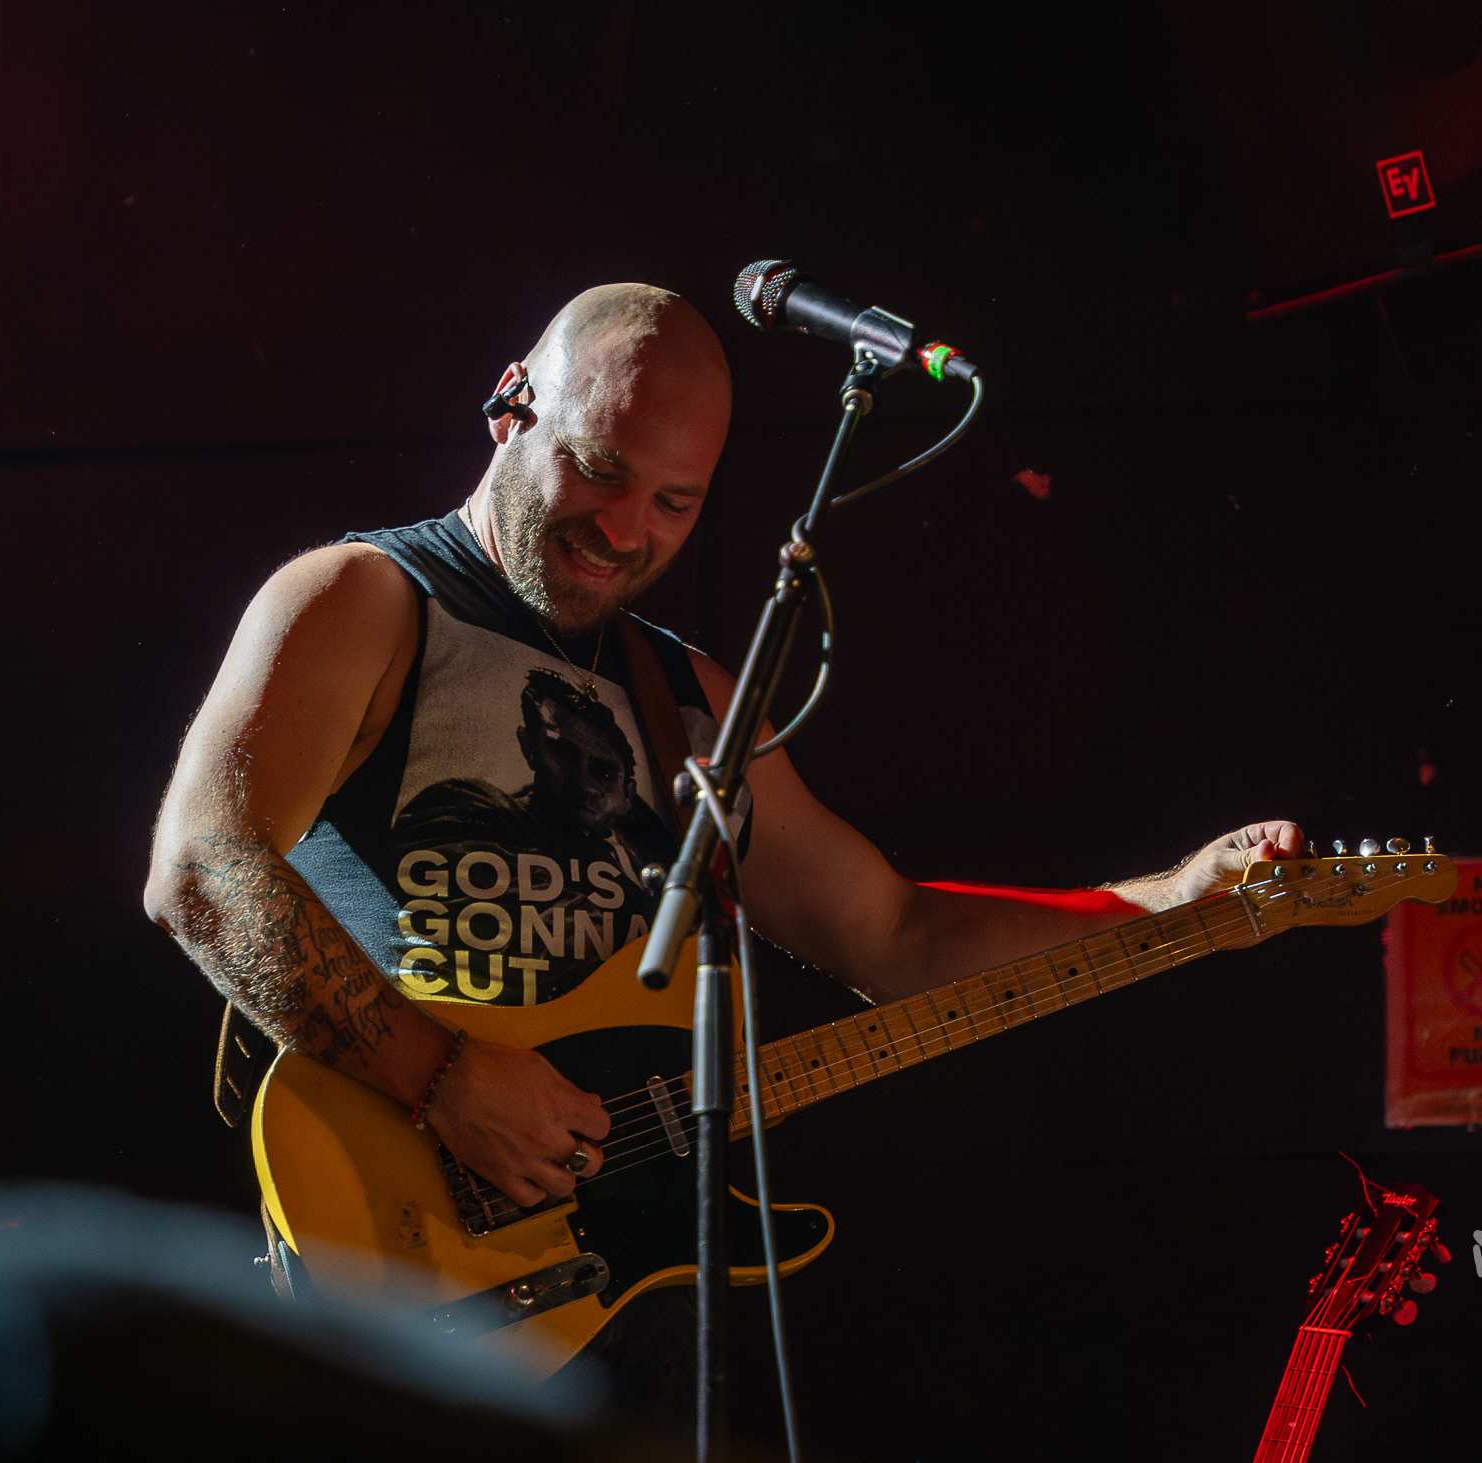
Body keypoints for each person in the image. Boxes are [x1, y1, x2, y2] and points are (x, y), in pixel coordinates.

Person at [143, 280, 1300, 1265]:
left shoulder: (689, 698)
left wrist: (1166, 902)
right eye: (598, 470)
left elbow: (893, 934)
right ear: (509, 406)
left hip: (610, 1285)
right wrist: (440, 1075)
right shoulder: (363, 599)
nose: (623, 529)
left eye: (672, 502)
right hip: (388, 1249)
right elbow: (200, 868)